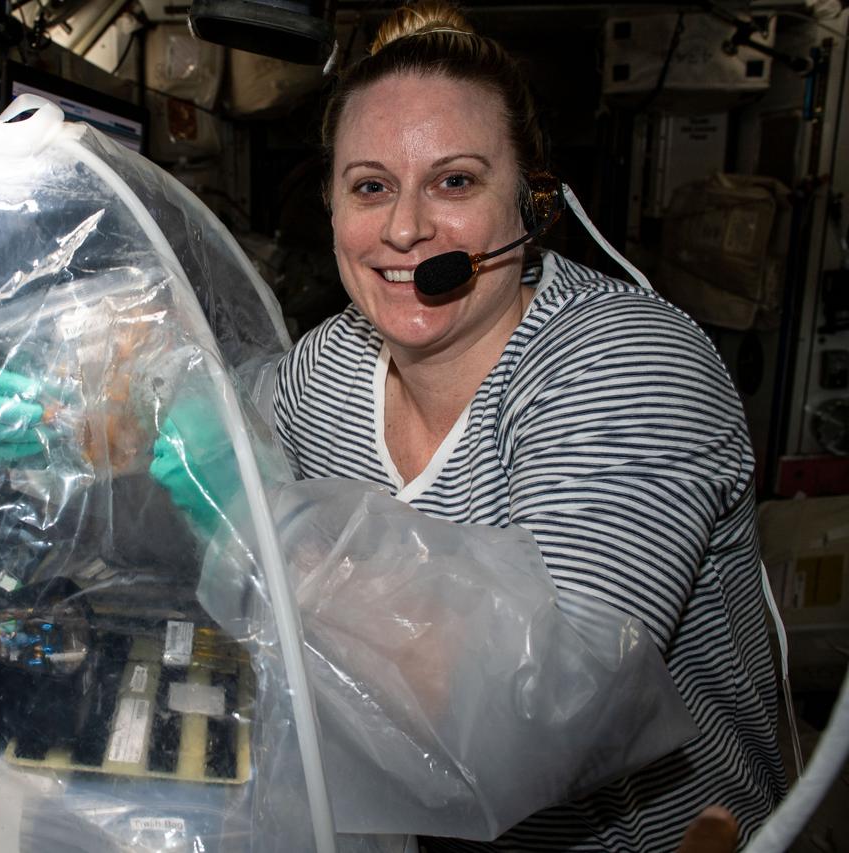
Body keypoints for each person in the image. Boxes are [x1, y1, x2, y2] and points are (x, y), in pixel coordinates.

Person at [268, 1, 787, 849]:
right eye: (370, 187)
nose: (404, 229)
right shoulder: (323, 371)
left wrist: (258, 524)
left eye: (455, 182)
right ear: (331, 211)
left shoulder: (628, 365)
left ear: (533, 203)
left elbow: (544, 718)